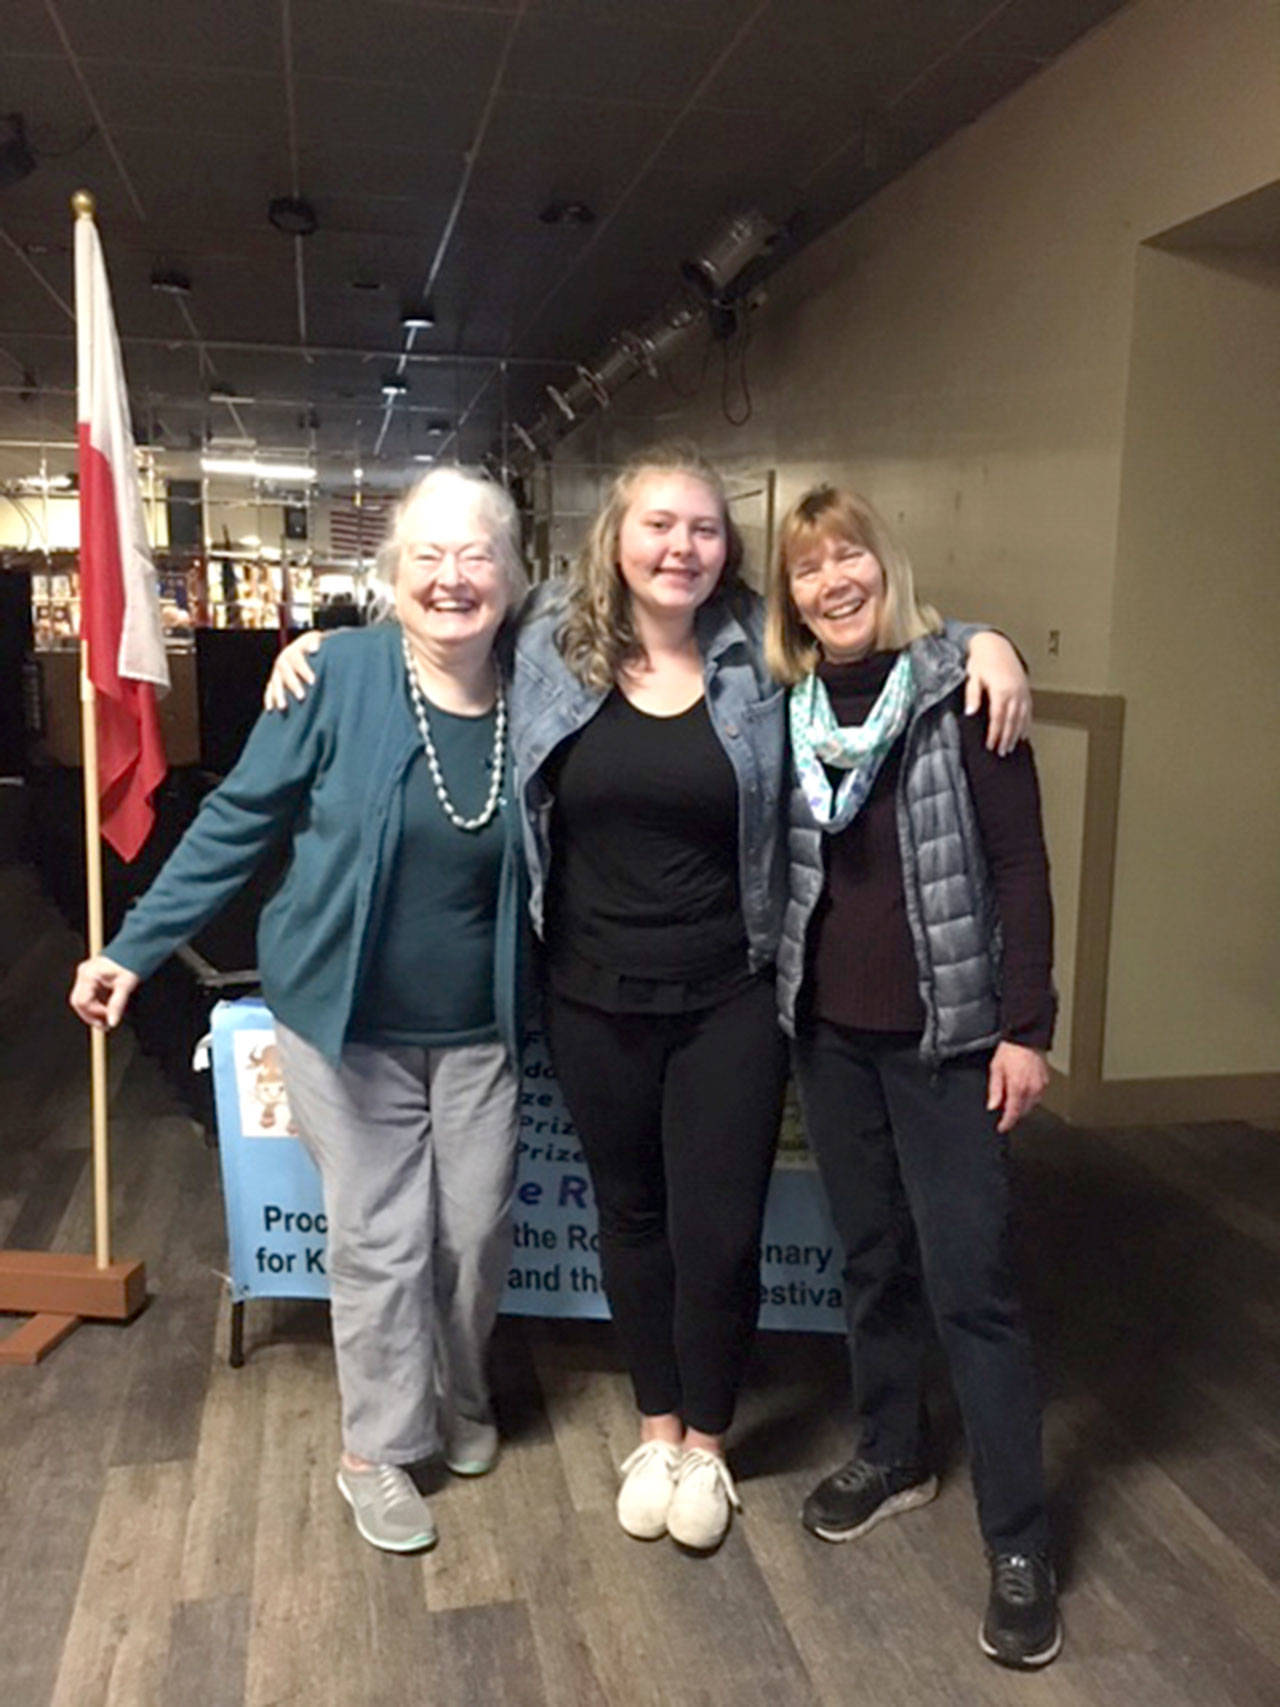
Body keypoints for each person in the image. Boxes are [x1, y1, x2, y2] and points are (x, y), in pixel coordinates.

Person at [265, 443, 1032, 1555]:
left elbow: (882, 631)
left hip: (730, 993)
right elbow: (440, 624)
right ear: (614, 540)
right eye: (657, 526)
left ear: (726, 550)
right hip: (587, 995)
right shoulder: (545, 647)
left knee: (716, 1230)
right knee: (628, 1219)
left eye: (703, 529)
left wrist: (986, 641)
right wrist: (330, 645)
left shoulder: (760, 650)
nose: (679, 547)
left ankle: (709, 1450)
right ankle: (657, 1429)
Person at [70, 467, 529, 1557]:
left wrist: (965, 642)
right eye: (427, 555)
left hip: (481, 1025)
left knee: (473, 1231)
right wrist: (133, 947)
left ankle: (462, 1391)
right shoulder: (335, 676)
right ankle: (374, 1449)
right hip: (342, 1015)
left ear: (515, 577)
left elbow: (682, 602)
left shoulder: (541, 680)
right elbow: (236, 821)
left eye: (476, 556)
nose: (451, 578)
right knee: (377, 1237)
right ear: (390, 574)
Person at [767, 484, 1060, 1666]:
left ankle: (1021, 1540)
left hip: (950, 1042)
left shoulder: (959, 690)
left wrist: (1025, 1028)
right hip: (830, 1037)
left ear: (882, 565)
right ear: (787, 594)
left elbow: (1022, 870)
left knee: (970, 1285)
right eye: (805, 569)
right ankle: (893, 1452)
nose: (831, 582)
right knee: (869, 1260)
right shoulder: (782, 705)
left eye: (848, 559)